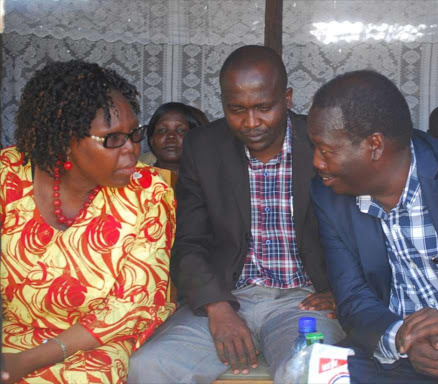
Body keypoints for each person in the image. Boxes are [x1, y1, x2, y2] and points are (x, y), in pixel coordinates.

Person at [128, 45, 344, 383]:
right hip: (226, 296)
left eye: (263, 107)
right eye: (236, 109)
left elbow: (359, 228)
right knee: (148, 366)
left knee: (311, 373)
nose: (251, 122)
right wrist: (216, 306)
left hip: (303, 302)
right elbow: (188, 240)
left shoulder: (323, 142)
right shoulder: (203, 146)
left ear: (286, 98)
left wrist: (344, 292)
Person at [308, 70, 438, 383]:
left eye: (327, 150)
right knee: (318, 375)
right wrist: (402, 338)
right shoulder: (329, 196)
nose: (317, 163)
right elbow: (353, 299)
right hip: (397, 356)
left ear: (374, 145)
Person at [0, 60, 176, 384]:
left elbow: (131, 306)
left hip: (101, 346)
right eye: (113, 139)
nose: (132, 150)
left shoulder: (148, 192)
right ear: (66, 137)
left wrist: (27, 362)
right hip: (17, 336)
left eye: (135, 134)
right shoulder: (8, 175)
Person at [140, 102, 201, 173]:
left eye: (181, 130)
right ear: (151, 140)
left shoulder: (209, 179)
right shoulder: (135, 180)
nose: (171, 136)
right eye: (162, 130)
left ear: (195, 139)